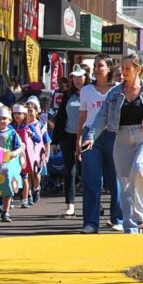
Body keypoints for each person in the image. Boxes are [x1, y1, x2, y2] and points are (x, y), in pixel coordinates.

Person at [81, 54, 143, 234]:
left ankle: (142, 213)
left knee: (140, 167)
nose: (123, 72)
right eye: (121, 68)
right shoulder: (115, 92)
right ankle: (130, 228)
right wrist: (91, 136)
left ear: (138, 69)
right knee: (125, 184)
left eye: (127, 68)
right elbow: (102, 116)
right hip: (122, 139)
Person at [76, 54, 122, 234]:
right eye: (94, 66)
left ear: (109, 68)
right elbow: (82, 116)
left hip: (113, 134)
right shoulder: (86, 90)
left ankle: (118, 218)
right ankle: (90, 222)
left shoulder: (118, 89)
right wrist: (78, 140)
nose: (96, 69)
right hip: (90, 135)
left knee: (115, 178)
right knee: (92, 179)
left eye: (100, 66)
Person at [51, 66, 86, 218]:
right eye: (75, 77)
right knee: (69, 172)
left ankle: (93, 204)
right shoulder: (67, 94)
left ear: (86, 77)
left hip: (85, 138)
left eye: (80, 77)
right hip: (67, 136)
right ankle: (70, 206)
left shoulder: (91, 92)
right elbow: (60, 117)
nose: (77, 80)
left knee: (86, 172)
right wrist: (54, 141)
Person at [0, 106, 23, 223]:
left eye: (4, 118)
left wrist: (14, 153)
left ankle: (6, 211)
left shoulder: (12, 133)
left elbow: (20, 146)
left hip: (8, 165)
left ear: (9, 120)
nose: (1, 120)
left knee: (8, 188)